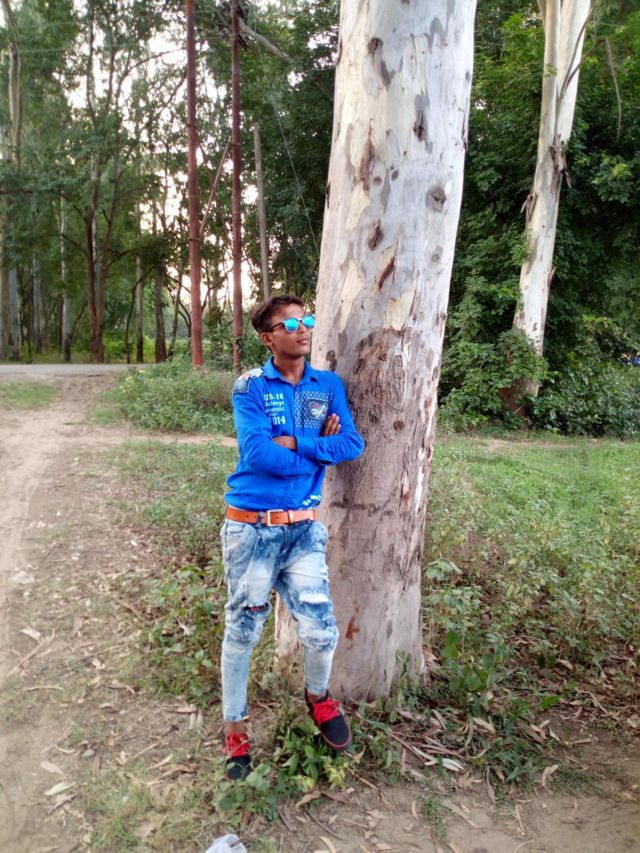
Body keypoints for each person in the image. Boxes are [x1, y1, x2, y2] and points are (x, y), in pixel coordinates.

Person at [220, 294, 365, 780]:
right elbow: (259, 454)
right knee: (243, 631)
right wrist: (321, 451)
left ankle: (318, 697)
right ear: (268, 338)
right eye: (290, 324)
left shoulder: (328, 386)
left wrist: (299, 442)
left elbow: (353, 443)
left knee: (322, 630)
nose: (303, 329)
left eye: (307, 320)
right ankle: (236, 730)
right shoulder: (251, 387)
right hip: (251, 528)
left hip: (303, 529)